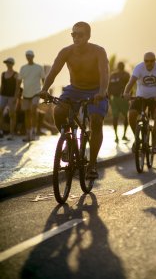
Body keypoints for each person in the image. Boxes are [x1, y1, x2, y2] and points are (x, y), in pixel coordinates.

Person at [40, 21, 109, 179]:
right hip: (75, 89)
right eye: (73, 34)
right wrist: (44, 89)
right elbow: (54, 71)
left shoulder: (98, 51)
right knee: (58, 112)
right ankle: (70, 143)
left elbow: (104, 73)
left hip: (96, 89)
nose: (76, 37)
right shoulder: (66, 52)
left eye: (80, 35)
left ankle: (91, 165)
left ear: (88, 36)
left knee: (96, 121)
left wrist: (102, 91)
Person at [123, 52, 156, 154]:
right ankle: (137, 138)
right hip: (140, 97)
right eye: (146, 61)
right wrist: (126, 93)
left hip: (155, 98)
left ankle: (154, 145)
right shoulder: (139, 68)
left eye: (152, 61)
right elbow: (131, 82)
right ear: (144, 61)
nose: (149, 63)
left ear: (155, 61)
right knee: (131, 114)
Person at [16, 50, 45, 142]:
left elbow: (43, 79)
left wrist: (44, 91)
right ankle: (28, 134)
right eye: (27, 55)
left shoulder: (39, 67)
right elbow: (19, 81)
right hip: (26, 94)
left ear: (33, 56)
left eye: (30, 55)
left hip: (36, 93)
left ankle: (33, 132)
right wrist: (17, 93)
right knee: (27, 113)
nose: (28, 57)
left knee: (33, 111)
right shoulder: (23, 68)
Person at [108, 61, 130, 143]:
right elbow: (130, 85)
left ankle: (117, 136)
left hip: (116, 99)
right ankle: (122, 135)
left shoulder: (113, 75)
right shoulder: (125, 74)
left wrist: (109, 98)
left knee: (116, 117)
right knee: (125, 117)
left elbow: (108, 87)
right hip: (122, 98)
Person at [0, 57, 18, 140]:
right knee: (0, 112)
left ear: (12, 64)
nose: (7, 64)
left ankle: (11, 133)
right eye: (6, 62)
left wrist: (15, 97)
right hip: (3, 95)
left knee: (12, 114)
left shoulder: (16, 74)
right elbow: (2, 86)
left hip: (11, 96)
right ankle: (1, 131)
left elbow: (17, 87)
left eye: (8, 62)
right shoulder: (3, 74)